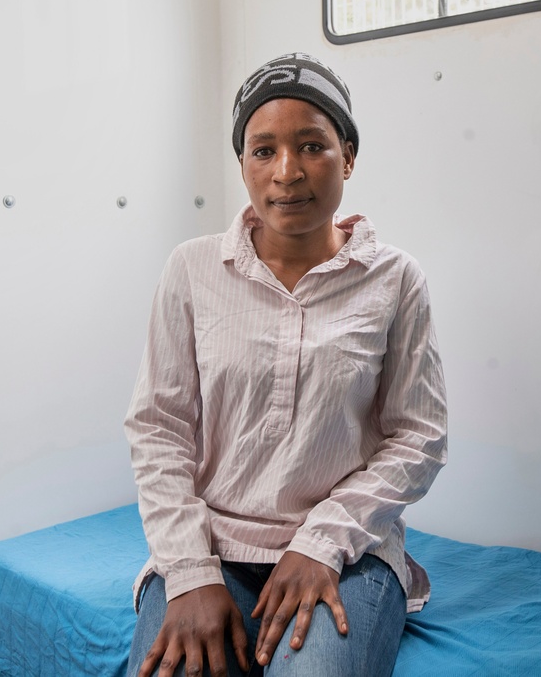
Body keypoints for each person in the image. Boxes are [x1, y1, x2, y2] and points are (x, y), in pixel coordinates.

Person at [124, 52, 447, 677]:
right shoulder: (192, 270)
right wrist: (189, 573)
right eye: (263, 150)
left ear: (348, 156)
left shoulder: (395, 279)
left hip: (345, 553)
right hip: (211, 543)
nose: (287, 172)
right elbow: (158, 428)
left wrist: (322, 542)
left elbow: (419, 438)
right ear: (242, 163)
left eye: (311, 146)